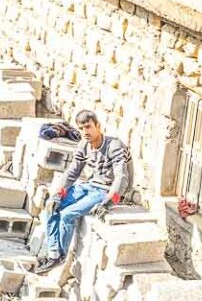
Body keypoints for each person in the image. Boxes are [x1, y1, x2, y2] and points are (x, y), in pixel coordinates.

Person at [36, 110, 132, 273]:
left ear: (98, 126)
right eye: (81, 128)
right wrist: (59, 194)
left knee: (68, 214)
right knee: (51, 205)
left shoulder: (114, 145)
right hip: (89, 186)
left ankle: (61, 255)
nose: (85, 132)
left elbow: (122, 178)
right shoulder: (83, 145)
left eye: (88, 127)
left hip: (105, 191)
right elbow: (71, 173)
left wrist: (109, 202)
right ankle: (53, 253)